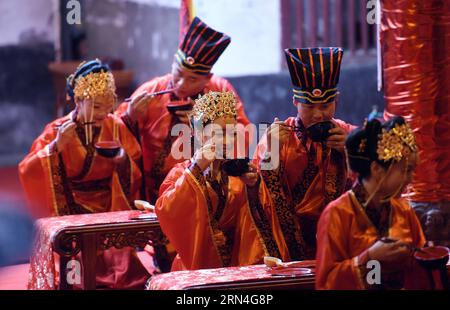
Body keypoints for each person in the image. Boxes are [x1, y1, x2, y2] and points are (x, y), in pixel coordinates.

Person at [19, 60, 149, 289]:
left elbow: (135, 164)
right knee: (71, 274)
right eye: (97, 106)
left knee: (125, 274)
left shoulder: (116, 126)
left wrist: (122, 161)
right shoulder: (57, 130)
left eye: (109, 106)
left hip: (109, 203)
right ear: (78, 101)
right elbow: (28, 169)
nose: (104, 113)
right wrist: (56, 148)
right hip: (71, 204)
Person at [116, 17, 251, 204]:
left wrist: (205, 125)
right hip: (154, 192)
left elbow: (244, 134)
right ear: (173, 63)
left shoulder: (220, 89)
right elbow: (114, 129)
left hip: (207, 188)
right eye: (178, 74)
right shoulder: (152, 90)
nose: (181, 84)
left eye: (193, 79)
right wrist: (130, 117)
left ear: (207, 78)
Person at [254, 47, 356, 259]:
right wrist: (271, 152)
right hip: (289, 244)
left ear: (336, 100)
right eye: (309, 106)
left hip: (339, 238)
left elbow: (374, 183)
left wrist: (350, 152)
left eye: (326, 105)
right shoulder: (277, 137)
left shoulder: (348, 135)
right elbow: (256, 194)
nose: (319, 114)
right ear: (295, 102)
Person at [155, 91, 271, 271]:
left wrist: (253, 188)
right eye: (219, 133)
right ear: (199, 133)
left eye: (232, 133)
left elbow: (253, 222)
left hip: (234, 265)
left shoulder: (236, 172)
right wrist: (196, 168)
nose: (228, 141)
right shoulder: (180, 173)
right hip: (194, 265)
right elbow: (167, 211)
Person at [316, 117, 427, 290]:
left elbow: (421, 271)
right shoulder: (338, 213)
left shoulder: (403, 210)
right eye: (406, 170)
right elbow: (326, 282)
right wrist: (368, 258)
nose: (411, 179)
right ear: (377, 169)